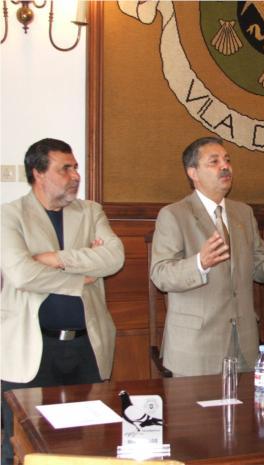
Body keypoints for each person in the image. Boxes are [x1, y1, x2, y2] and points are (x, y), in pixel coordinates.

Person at [150, 136, 264, 376]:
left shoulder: (243, 212)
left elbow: (259, 266)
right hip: (196, 347)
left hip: (244, 343)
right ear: (193, 172)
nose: (225, 166)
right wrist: (199, 263)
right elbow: (161, 274)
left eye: (227, 160)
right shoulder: (174, 215)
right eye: (214, 162)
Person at [1, 138, 125, 465]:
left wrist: (53, 258)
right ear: (38, 173)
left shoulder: (91, 211)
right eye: (65, 169)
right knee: (22, 445)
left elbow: (114, 258)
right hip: (30, 349)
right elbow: (22, 274)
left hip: (87, 347)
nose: (75, 176)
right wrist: (82, 275)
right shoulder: (9, 215)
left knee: (86, 445)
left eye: (76, 167)